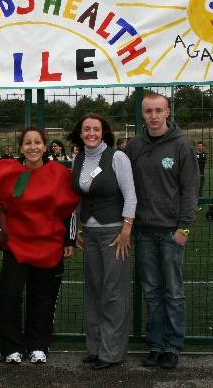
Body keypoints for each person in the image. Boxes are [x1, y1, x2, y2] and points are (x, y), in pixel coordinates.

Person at [0, 127, 79, 365]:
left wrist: (69, 240)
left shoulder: (59, 174)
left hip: (49, 246)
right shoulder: (6, 172)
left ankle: (38, 346)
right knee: (9, 297)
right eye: (27, 143)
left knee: (43, 298)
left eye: (37, 142)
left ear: (45, 146)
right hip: (16, 246)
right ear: (21, 148)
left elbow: (70, 208)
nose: (33, 147)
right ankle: (11, 348)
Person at [125, 92, 199, 370]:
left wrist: (185, 229)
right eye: (148, 111)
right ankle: (155, 345)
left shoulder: (181, 145)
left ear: (167, 112)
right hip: (143, 232)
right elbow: (127, 187)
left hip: (171, 233)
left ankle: (173, 346)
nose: (153, 116)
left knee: (174, 292)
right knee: (152, 292)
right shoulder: (134, 146)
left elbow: (191, 189)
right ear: (142, 114)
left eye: (158, 110)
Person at [67, 114, 136, 371]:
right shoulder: (79, 158)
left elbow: (130, 196)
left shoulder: (117, 157)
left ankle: (112, 353)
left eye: (96, 129)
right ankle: (95, 349)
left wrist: (127, 230)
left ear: (103, 132)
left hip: (114, 234)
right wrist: (78, 232)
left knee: (113, 293)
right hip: (91, 233)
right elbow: (78, 199)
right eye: (87, 129)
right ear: (81, 132)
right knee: (94, 291)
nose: (91, 133)